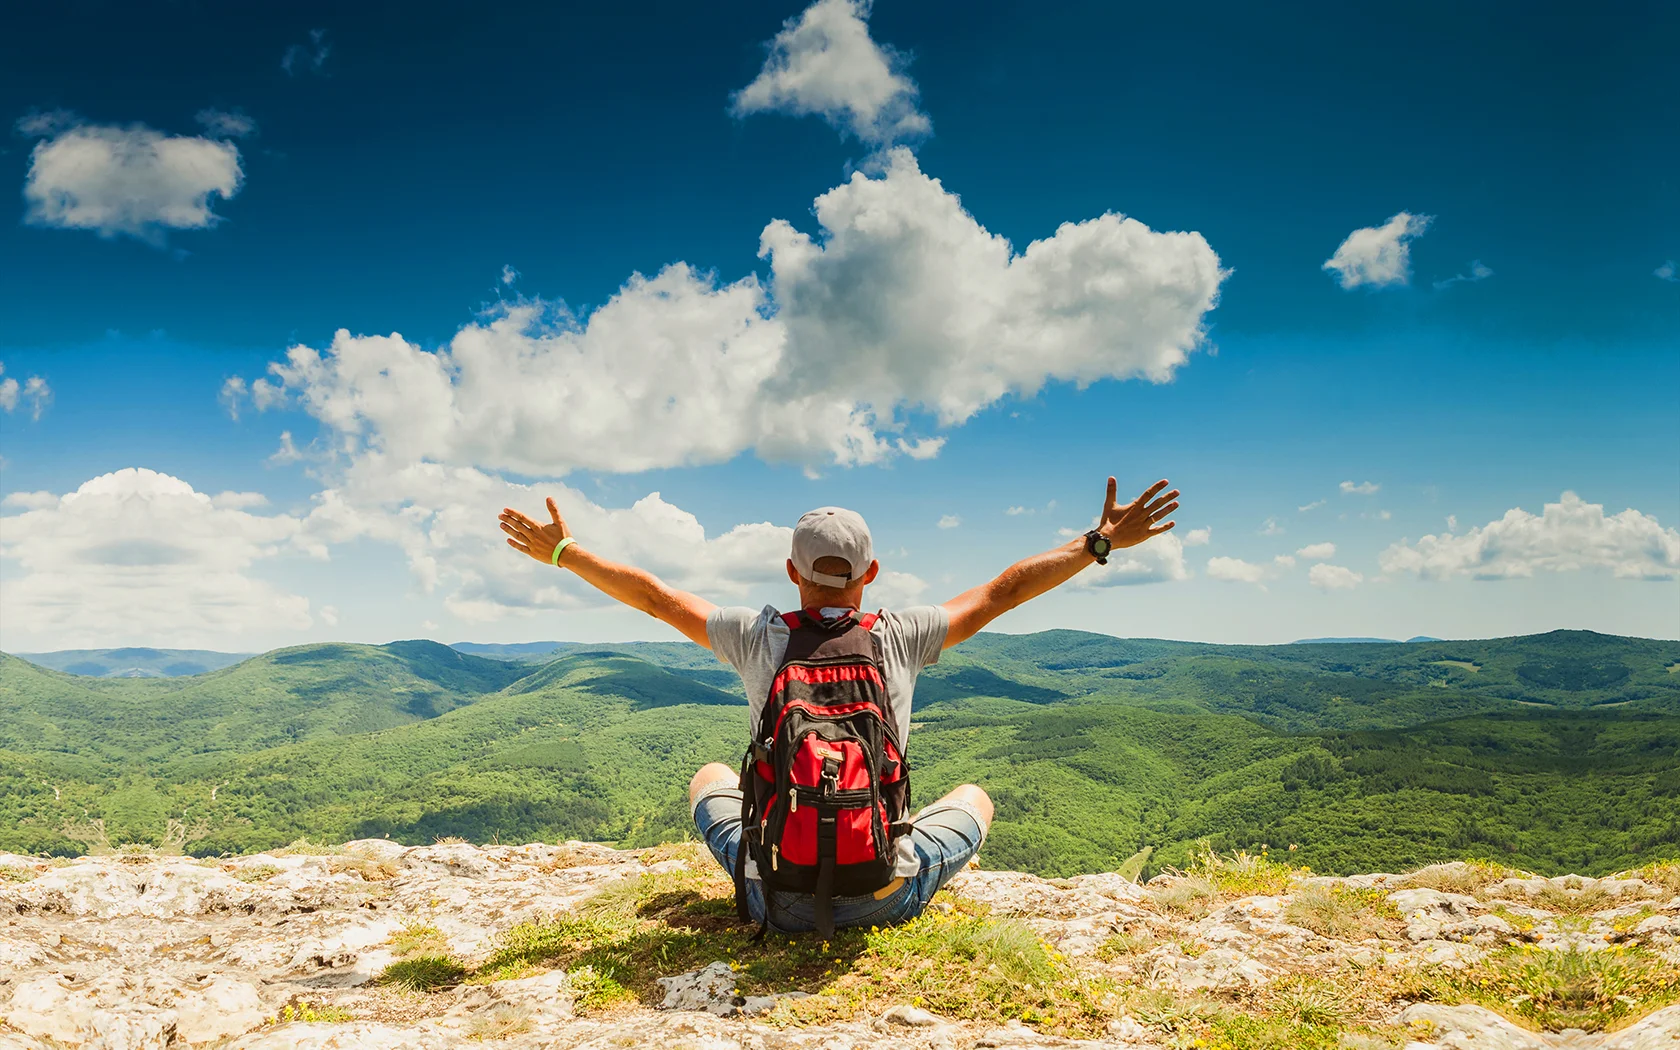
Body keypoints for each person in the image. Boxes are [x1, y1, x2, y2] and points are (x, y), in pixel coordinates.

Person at [498, 476, 1178, 934]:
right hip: (885, 893)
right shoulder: (902, 635)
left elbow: (655, 597)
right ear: (871, 575)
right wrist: (1099, 542)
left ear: (792, 572)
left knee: (709, 778)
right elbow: (1002, 592)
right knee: (974, 795)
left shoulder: (755, 635)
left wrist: (564, 551)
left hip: (773, 899)